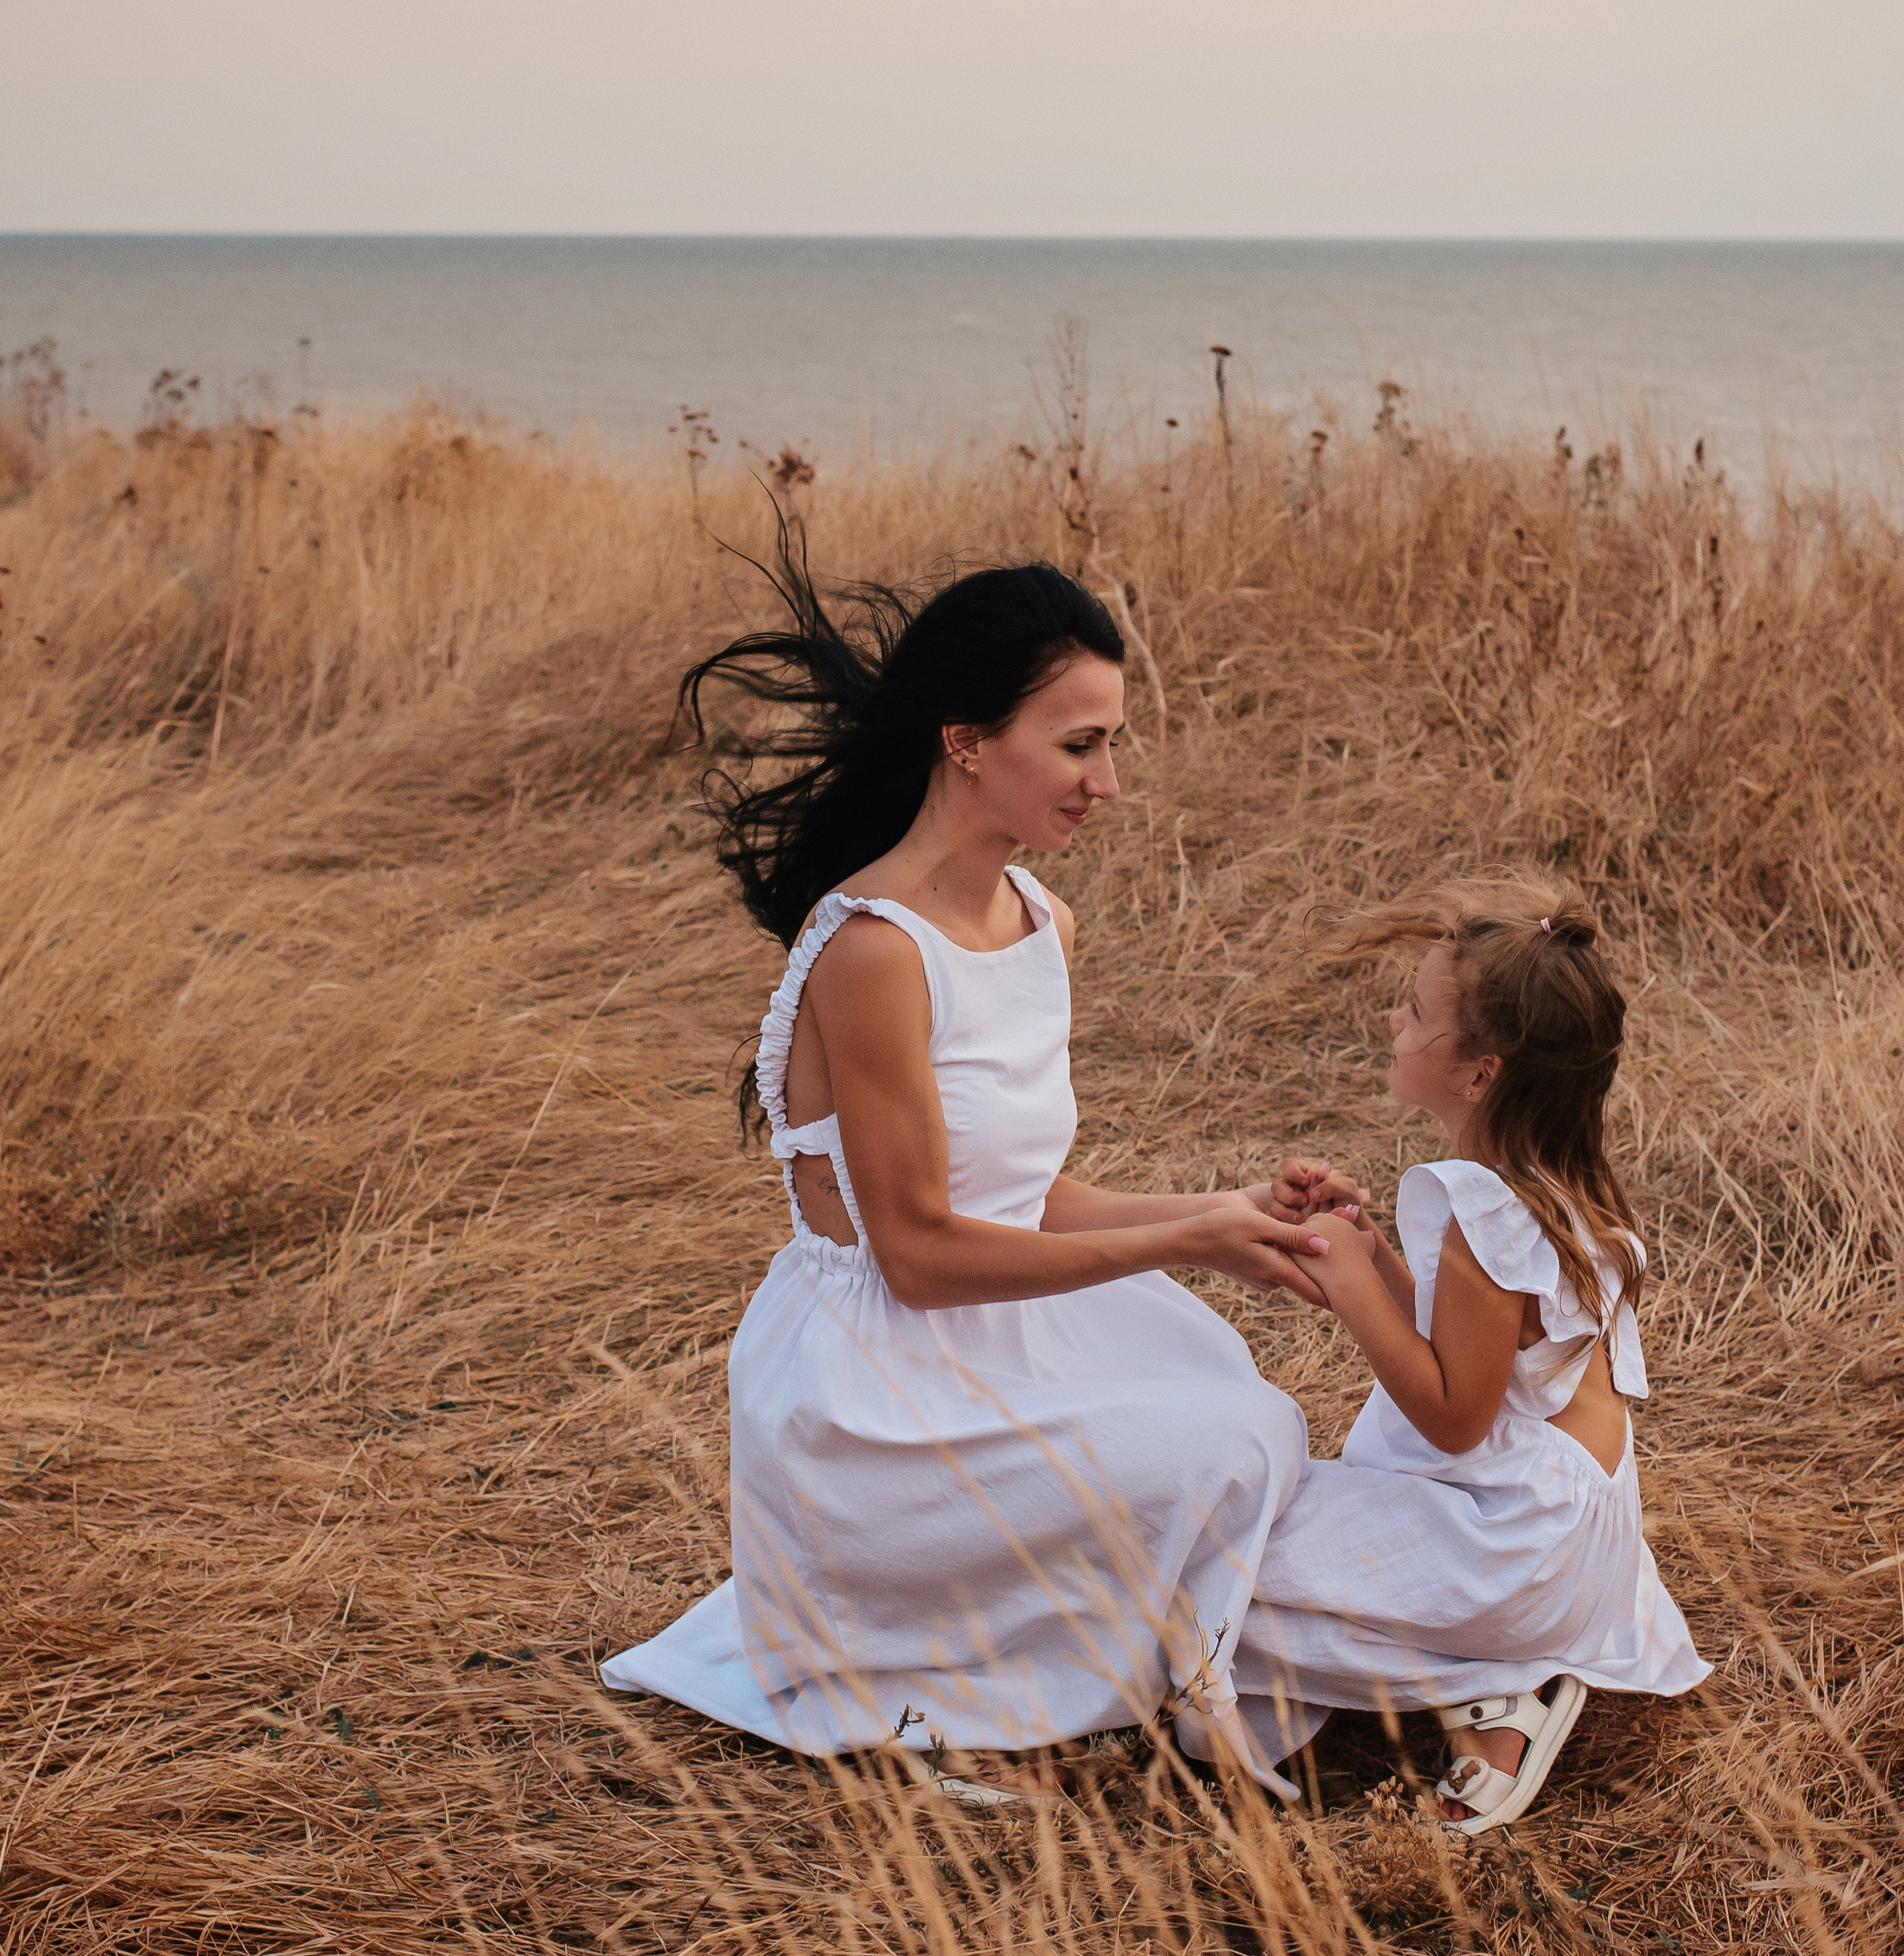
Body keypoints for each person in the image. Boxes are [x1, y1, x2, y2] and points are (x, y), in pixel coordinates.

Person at [599, 542, 1323, 1800]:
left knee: (1247, 1406)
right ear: (971, 740)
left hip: (1004, 1326)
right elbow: (925, 1253)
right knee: (1233, 1435)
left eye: (1112, 742)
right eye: (1080, 743)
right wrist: (1185, 1241)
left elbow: (1029, 1195)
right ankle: (933, 1657)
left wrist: (1220, 1209)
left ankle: (1094, 1663)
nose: (1109, 780)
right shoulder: (874, 949)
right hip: (878, 1391)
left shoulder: (1041, 918)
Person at [1236, 883, 1709, 1835]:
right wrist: (1366, 1246)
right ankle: (1492, 1672)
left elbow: (1452, 1414)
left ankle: (1496, 1687)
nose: (1393, 1020)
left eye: (1414, 1013)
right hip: (1578, 1541)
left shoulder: (1480, 1208)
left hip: (1508, 1554)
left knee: (1210, 1578)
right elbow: (1478, 1349)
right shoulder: (1555, 1185)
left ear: (1481, 1073)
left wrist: (1348, 1286)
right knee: (1237, 1565)